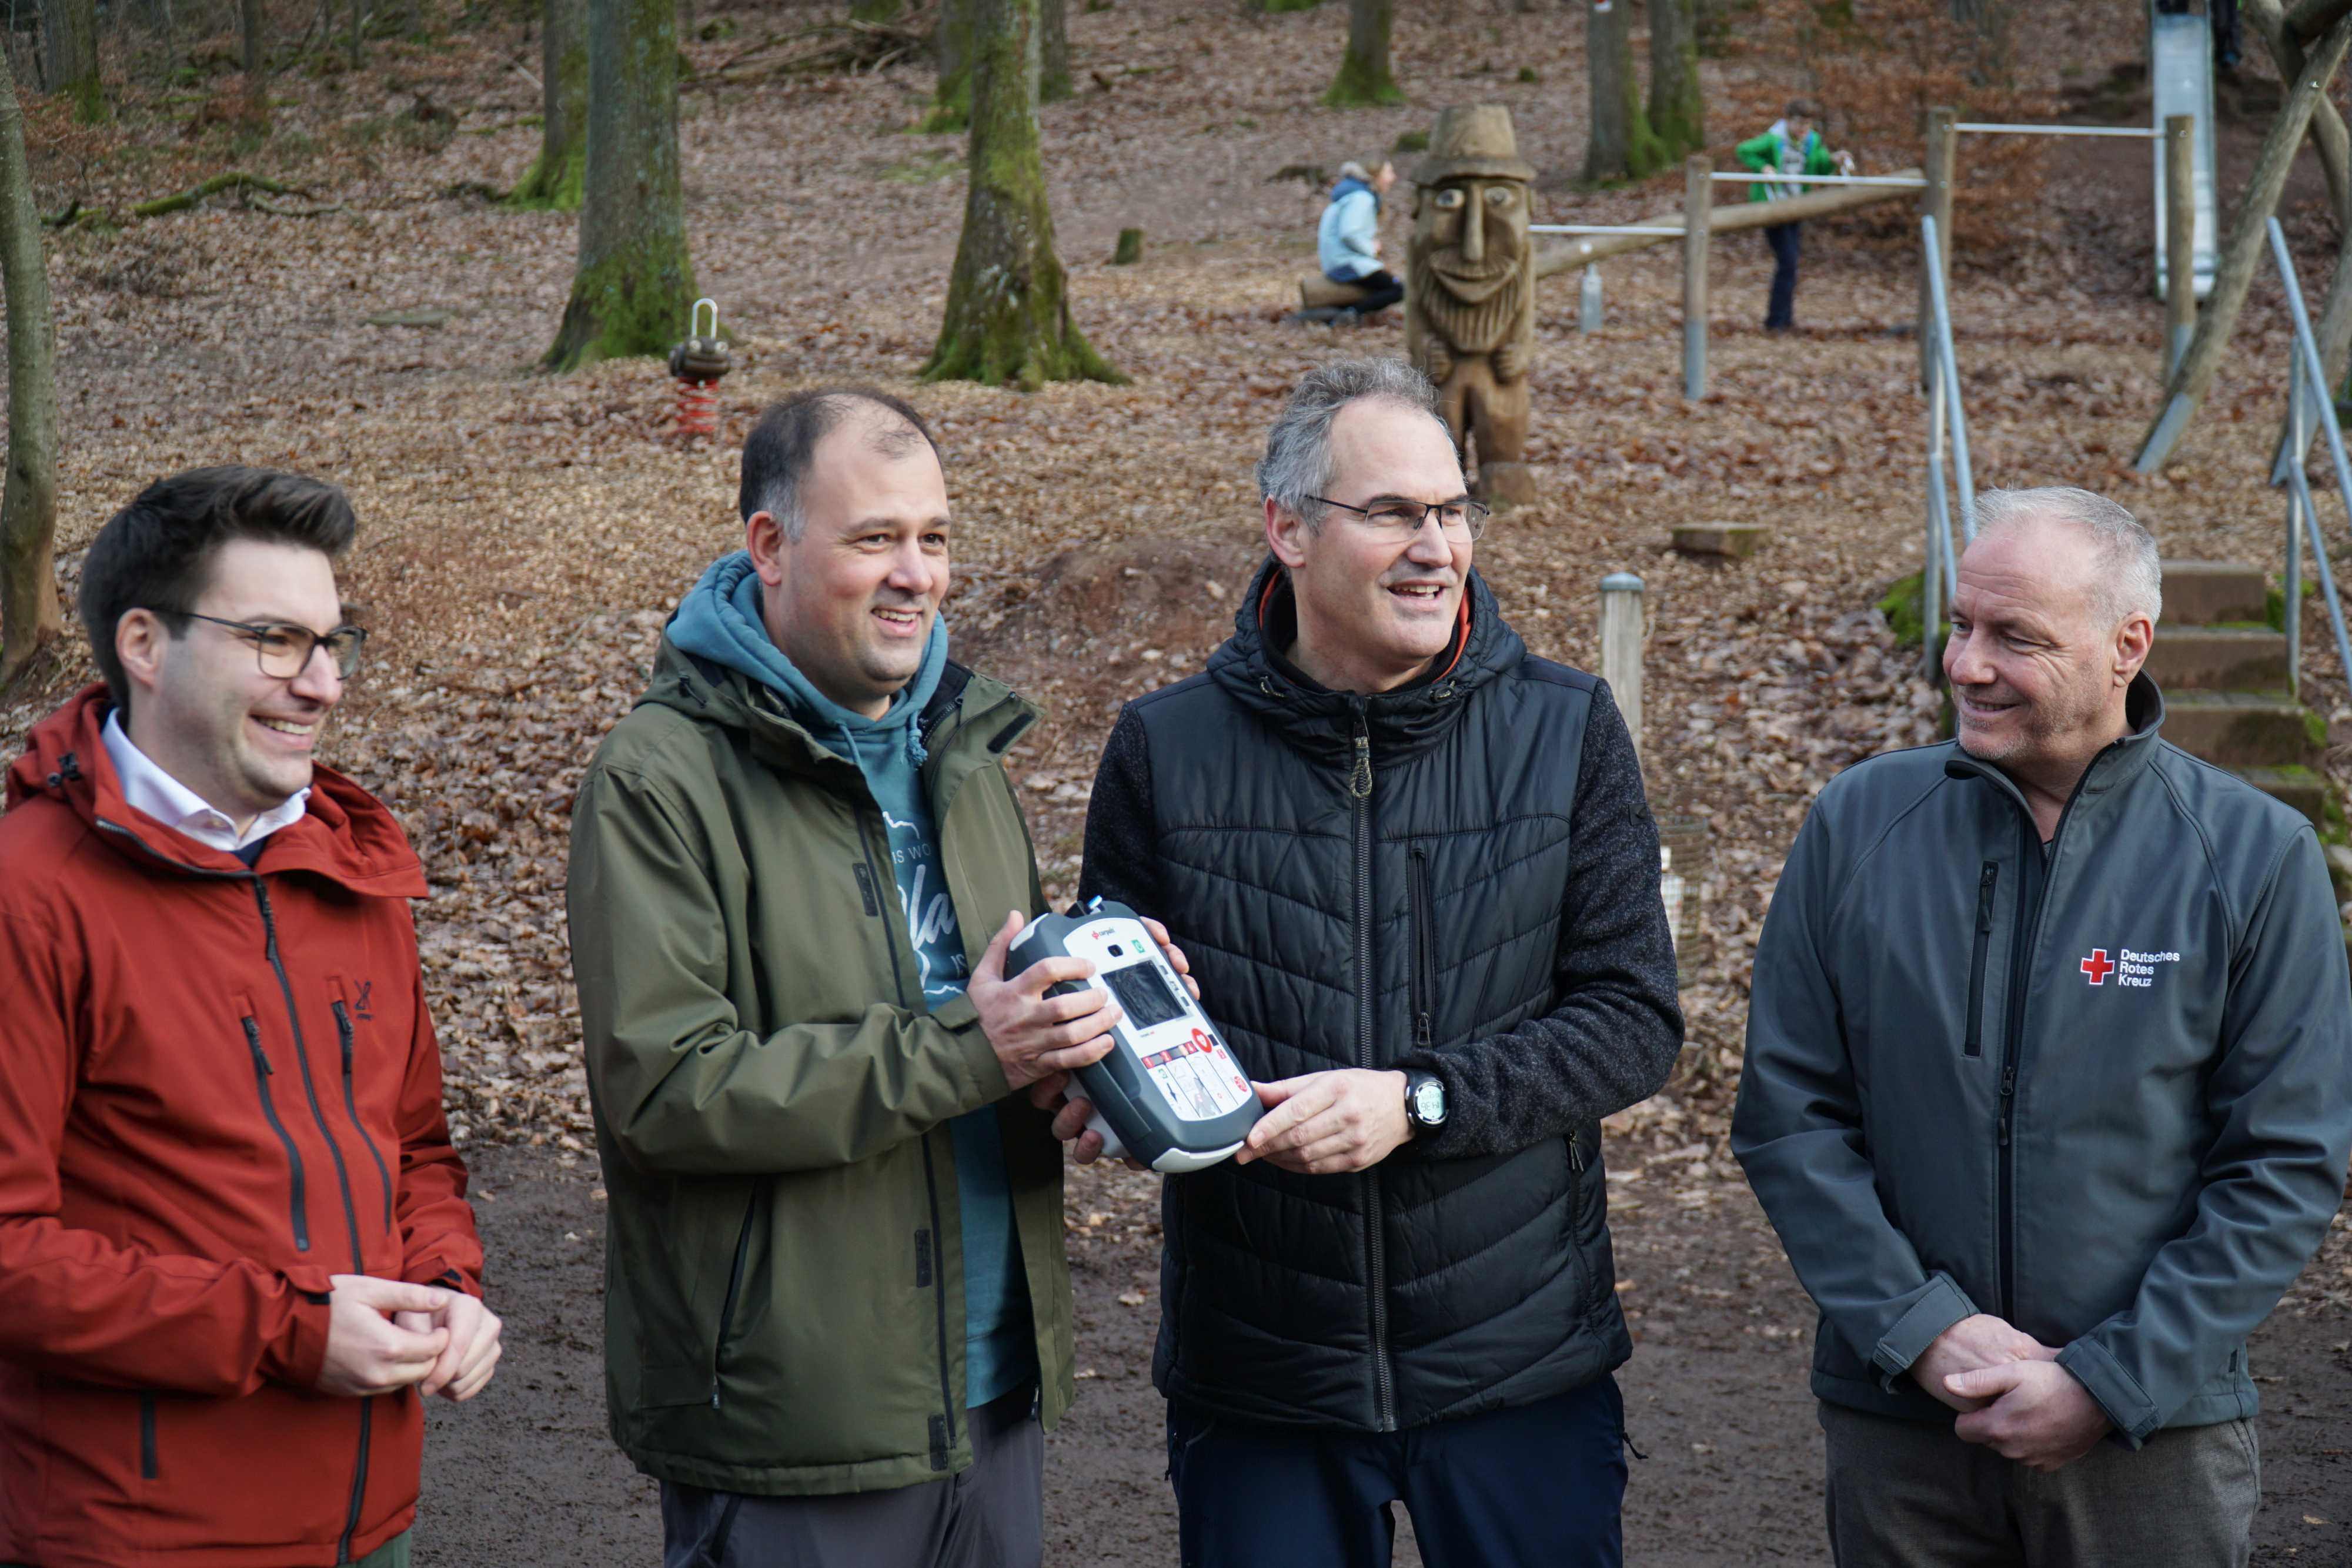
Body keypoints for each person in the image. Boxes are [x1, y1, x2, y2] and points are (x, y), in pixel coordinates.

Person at [1070, 357, 1684, 1567]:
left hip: (1517, 1371)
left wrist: (1417, 1098)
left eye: (1451, 509)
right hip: (1260, 1379)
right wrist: (1095, 1092)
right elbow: (1120, 1019)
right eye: (1393, 512)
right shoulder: (1162, 746)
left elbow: (1631, 1020)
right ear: (1285, 530)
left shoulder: (1565, 731)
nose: (1435, 545)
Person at [568, 387, 1188, 1568]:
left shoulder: (959, 750)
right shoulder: (658, 780)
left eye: (934, 537)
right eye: (874, 539)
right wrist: (976, 1046)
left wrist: (1089, 1058)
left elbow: (991, 1028)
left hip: (991, 1390)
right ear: (769, 546)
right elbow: (664, 1090)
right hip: (795, 1412)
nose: (916, 574)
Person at [1732, 487, 2352, 1567]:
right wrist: (1923, 1331)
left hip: (2152, 1441)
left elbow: (2285, 1161)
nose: (1966, 664)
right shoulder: (1857, 825)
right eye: (1963, 624)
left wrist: (2108, 1380)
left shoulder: (2254, 856)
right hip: (1905, 1433)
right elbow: (1791, 1119)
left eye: (2015, 637)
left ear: (2129, 645)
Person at [0, 467, 498, 1568]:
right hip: (139, 1538)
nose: (322, 683)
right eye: (276, 639)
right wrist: (293, 1330)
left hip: (373, 1528)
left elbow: (413, 1150)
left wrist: (449, 1285)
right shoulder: (28, 894)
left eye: (333, 642)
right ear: (144, 642)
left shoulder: (350, 868)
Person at [1735, 99, 1852, 332]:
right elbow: (1744, 150)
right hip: (1774, 208)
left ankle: (1785, 319)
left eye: (1807, 124)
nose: (1802, 129)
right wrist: (1763, 167)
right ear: (1788, 120)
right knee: (1788, 262)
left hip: (1797, 207)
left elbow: (1818, 167)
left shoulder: (1812, 141)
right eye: (1799, 123)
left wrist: (1832, 159)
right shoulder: (1774, 139)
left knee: (1790, 264)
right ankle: (1776, 321)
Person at [1318, 158, 1405, 319]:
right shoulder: (1362, 198)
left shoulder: (1353, 195)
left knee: (1384, 286)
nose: (1393, 178)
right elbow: (1350, 233)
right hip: (1347, 263)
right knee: (1398, 290)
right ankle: (1351, 315)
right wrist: (1371, 248)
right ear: (1376, 176)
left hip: (1337, 261)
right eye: (1389, 173)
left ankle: (1344, 313)